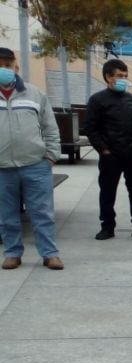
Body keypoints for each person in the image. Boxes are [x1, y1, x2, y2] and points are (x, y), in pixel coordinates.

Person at [0, 47, 63, 271]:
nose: (3, 69)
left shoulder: (35, 94)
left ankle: (50, 254)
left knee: (42, 213)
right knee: (6, 215)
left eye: (7, 65)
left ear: (16, 67)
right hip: (3, 169)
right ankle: (12, 253)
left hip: (36, 165)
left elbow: (50, 128)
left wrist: (51, 156)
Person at [85, 58, 132, 241]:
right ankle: (107, 227)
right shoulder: (97, 100)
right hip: (110, 156)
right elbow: (91, 128)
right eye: (119, 76)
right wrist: (104, 150)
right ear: (108, 77)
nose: (123, 79)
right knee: (107, 192)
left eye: (125, 76)